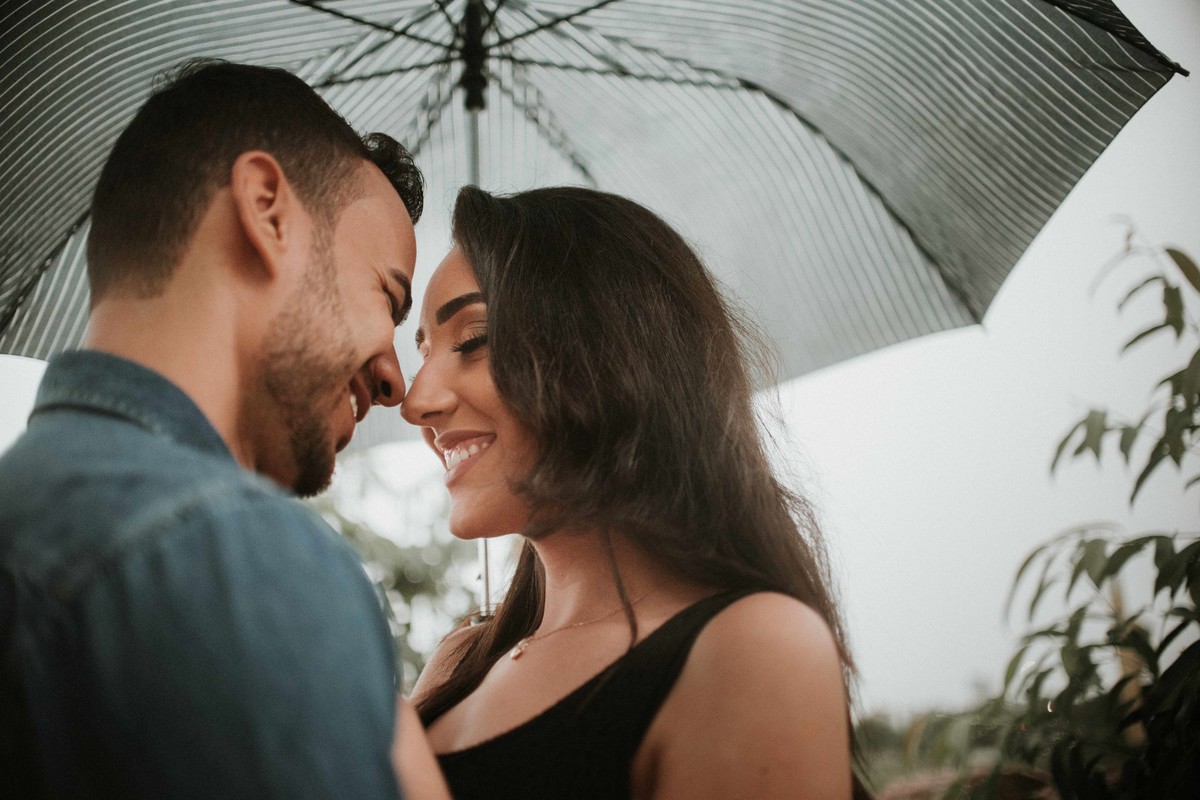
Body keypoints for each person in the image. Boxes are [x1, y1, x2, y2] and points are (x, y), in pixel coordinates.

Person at [0, 61, 447, 799]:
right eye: (387, 294)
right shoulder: (234, 553)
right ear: (267, 210)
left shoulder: (28, 506)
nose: (396, 382)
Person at [401, 186, 865, 799]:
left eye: (474, 340)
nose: (416, 402)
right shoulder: (458, 661)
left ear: (609, 355)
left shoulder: (751, 648)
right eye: (422, 355)